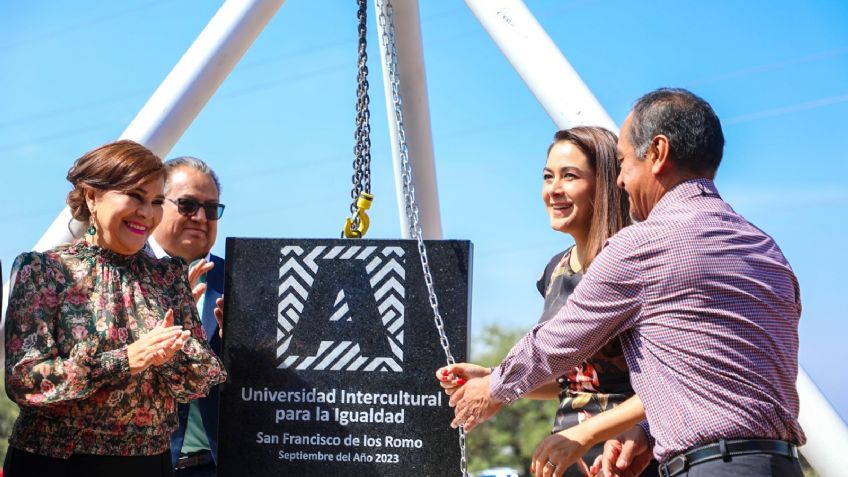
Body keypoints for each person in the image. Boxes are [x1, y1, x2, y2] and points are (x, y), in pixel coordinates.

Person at [449, 88, 805, 477]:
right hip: (780, 463)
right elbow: (721, 379)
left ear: (657, 152)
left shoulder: (644, 245)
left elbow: (558, 341)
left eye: (623, 162)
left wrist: (495, 388)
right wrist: (649, 434)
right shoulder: (765, 248)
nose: (620, 180)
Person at [438, 126, 658, 476]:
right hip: (565, 454)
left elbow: (671, 385)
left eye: (570, 176)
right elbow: (571, 378)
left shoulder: (635, 263)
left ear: (604, 184)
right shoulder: (555, 270)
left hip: (627, 456)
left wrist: (587, 434)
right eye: (547, 176)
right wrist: (494, 377)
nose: (553, 190)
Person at [3, 140, 226, 477]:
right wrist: (124, 361)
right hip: (55, 464)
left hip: (148, 465)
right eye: (135, 197)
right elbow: (24, 381)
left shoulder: (168, 276)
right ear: (92, 196)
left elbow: (203, 379)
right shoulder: (43, 271)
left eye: (155, 202)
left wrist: (168, 356)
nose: (147, 214)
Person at [147, 157, 225, 477]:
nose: (200, 217)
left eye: (211, 209)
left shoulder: (241, 278)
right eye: (188, 204)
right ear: (156, 204)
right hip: (141, 464)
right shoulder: (122, 276)